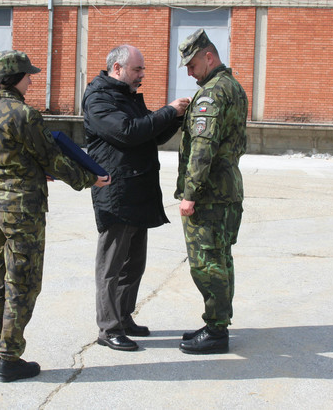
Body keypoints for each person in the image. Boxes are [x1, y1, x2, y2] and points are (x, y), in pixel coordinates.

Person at [0, 50, 110, 382]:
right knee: (22, 282)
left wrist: (35, 169)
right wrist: (89, 178)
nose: (31, 81)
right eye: (28, 76)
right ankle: (10, 359)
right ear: (15, 78)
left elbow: (9, 156)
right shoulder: (24, 114)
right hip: (21, 210)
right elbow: (52, 159)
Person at [83, 45, 190, 351]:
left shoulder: (126, 96)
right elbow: (127, 132)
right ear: (117, 68)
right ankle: (109, 328)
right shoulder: (99, 98)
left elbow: (150, 135)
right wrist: (168, 111)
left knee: (133, 264)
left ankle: (123, 317)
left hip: (136, 190)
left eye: (142, 69)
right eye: (137, 69)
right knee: (112, 266)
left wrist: (176, 118)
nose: (142, 75)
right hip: (116, 193)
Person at [175, 28, 248, 354]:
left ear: (209, 57)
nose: (189, 73)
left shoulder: (211, 93)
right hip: (227, 190)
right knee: (221, 259)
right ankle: (217, 323)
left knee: (206, 264)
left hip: (210, 196)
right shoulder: (233, 87)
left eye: (192, 65)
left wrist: (190, 194)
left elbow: (202, 149)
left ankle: (217, 330)